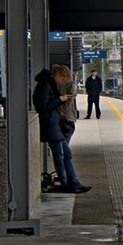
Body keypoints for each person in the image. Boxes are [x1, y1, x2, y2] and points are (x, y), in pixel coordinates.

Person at [32, 66, 90, 194]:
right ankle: (68, 184)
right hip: (50, 125)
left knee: (64, 155)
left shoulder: (47, 84)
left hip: (53, 124)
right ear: (56, 74)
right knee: (63, 155)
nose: (63, 81)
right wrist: (60, 99)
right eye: (62, 77)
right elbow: (43, 106)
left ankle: (72, 183)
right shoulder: (45, 86)